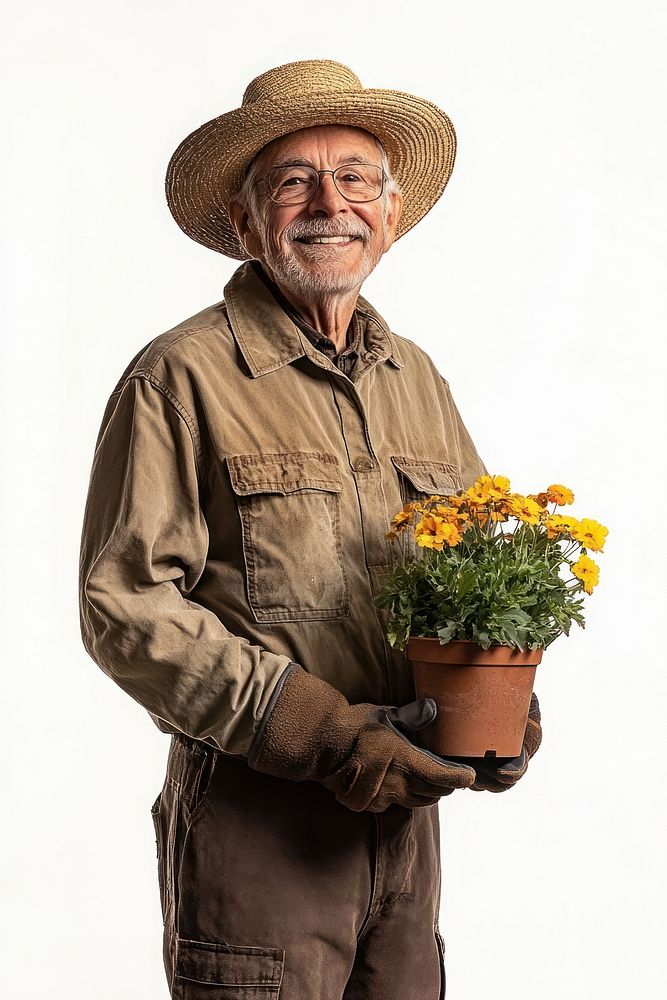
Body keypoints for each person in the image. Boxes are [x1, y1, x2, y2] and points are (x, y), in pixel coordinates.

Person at [78, 59, 542, 1000]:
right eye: (292, 181)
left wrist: (503, 700)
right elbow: (125, 609)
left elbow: (488, 557)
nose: (328, 202)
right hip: (261, 826)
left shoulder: (415, 377)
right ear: (248, 224)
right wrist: (323, 732)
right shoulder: (180, 378)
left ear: (390, 213)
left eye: (355, 178)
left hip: (407, 827)